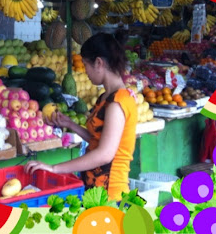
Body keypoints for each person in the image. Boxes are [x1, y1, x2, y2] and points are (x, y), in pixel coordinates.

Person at [24, 32, 137, 201]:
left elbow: (105, 154)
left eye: (86, 65)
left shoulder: (118, 102)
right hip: (94, 190)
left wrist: (55, 168)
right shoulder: (105, 98)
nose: (85, 72)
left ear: (98, 63)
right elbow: (97, 139)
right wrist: (71, 124)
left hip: (111, 195)